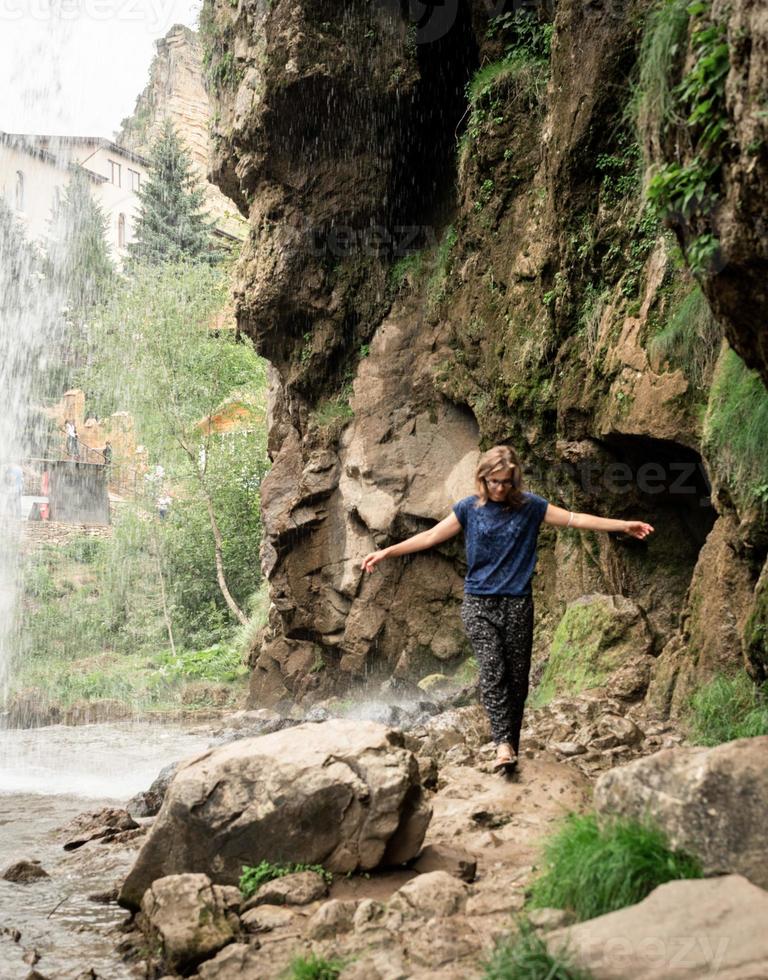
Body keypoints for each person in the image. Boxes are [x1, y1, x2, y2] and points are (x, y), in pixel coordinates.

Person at [360, 445, 655, 773]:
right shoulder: (468, 510)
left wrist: (621, 525)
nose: (500, 488)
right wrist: (386, 553)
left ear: (515, 480)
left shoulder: (531, 508)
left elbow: (575, 519)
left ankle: (510, 746)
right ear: (482, 479)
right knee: (493, 669)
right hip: (478, 602)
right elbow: (430, 536)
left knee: (517, 680)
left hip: (517, 603)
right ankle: (502, 745)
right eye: (494, 481)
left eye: (506, 482)